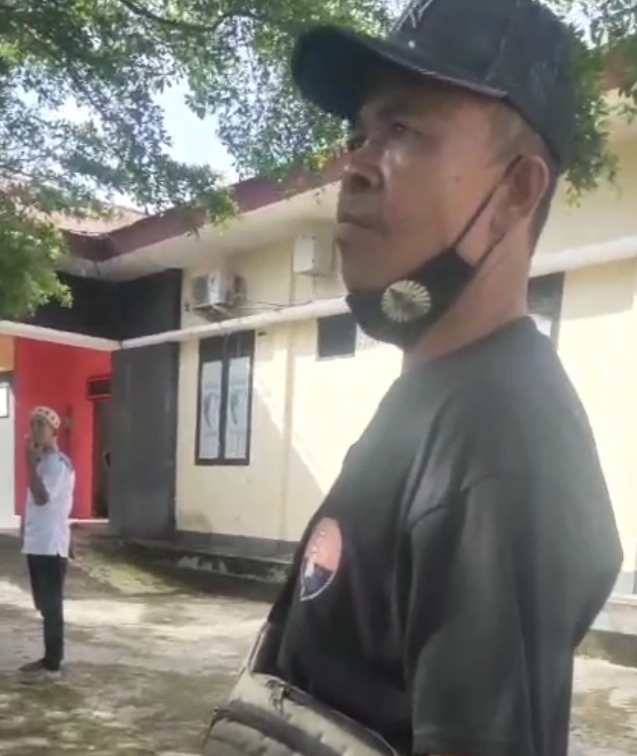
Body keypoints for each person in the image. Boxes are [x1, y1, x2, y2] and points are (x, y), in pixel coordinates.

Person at [203, 2, 623, 756]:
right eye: (359, 135)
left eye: (403, 130)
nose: (356, 166)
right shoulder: (438, 398)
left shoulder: (500, 442)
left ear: (518, 191)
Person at [19, 406, 75, 679]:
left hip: (50, 544)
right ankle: (50, 656)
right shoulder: (42, 462)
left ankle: (53, 661)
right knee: (43, 603)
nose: (35, 430)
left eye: (41, 425)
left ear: (54, 431)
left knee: (51, 606)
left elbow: (42, 498)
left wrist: (28, 462)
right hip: (37, 542)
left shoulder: (56, 463)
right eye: (33, 424)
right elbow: (32, 503)